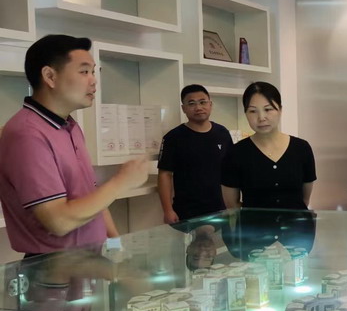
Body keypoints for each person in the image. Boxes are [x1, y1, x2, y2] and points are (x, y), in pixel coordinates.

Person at [0, 34, 148, 256]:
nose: (93, 81)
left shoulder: (70, 126)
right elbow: (58, 221)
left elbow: (92, 198)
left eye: (94, 72)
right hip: (53, 268)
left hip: (90, 261)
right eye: (84, 72)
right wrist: (121, 182)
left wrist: (116, 247)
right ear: (50, 76)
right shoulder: (27, 134)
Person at [221, 82, 316, 211]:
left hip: (296, 223)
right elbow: (232, 205)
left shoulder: (302, 148)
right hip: (255, 224)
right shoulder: (236, 153)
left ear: (280, 110)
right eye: (253, 111)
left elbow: (304, 200)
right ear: (246, 113)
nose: (261, 118)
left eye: (268, 109)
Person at [157, 84, 233, 224]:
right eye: (192, 103)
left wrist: (233, 205)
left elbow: (231, 170)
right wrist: (167, 210)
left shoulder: (222, 133)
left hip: (220, 210)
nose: (198, 107)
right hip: (186, 212)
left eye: (203, 102)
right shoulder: (173, 138)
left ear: (210, 105)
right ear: (183, 108)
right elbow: (165, 175)